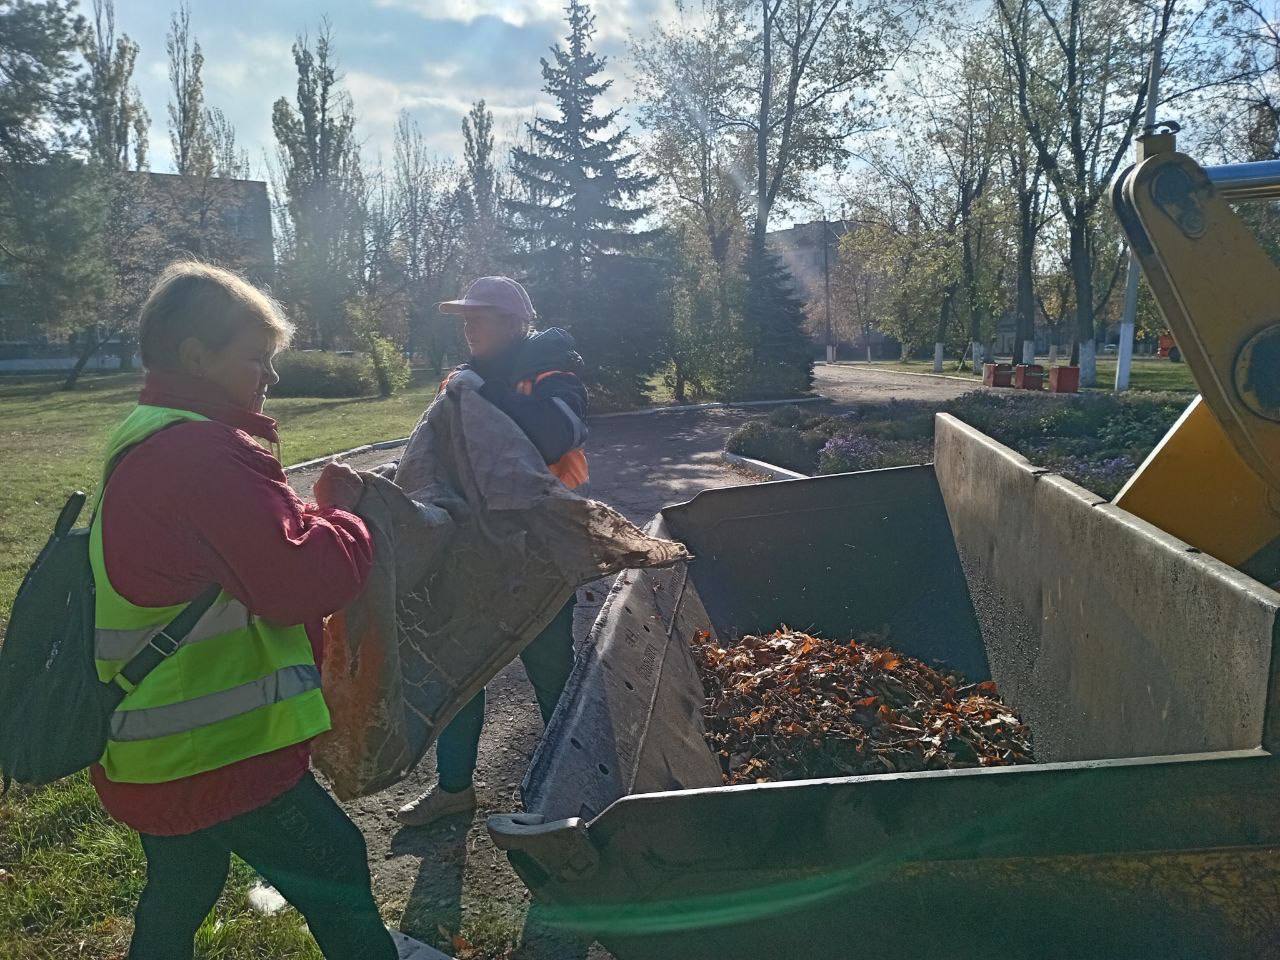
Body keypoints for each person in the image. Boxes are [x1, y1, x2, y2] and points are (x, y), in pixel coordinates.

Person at [89, 261, 397, 960]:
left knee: (184, 884)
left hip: (151, 742)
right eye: (254, 358)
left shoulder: (150, 431)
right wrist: (340, 515)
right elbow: (301, 584)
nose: (269, 375)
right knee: (338, 873)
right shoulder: (201, 453)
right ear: (198, 357)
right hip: (219, 752)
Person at [395, 276, 589, 826]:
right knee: (462, 671)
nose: (467, 324)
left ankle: (571, 785)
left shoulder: (555, 374)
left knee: (551, 671)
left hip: (539, 557)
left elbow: (558, 436)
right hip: (474, 555)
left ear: (512, 322)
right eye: (464, 316)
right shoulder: (462, 382)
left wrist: (488, 392)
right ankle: (454, 788)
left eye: (478, 315)